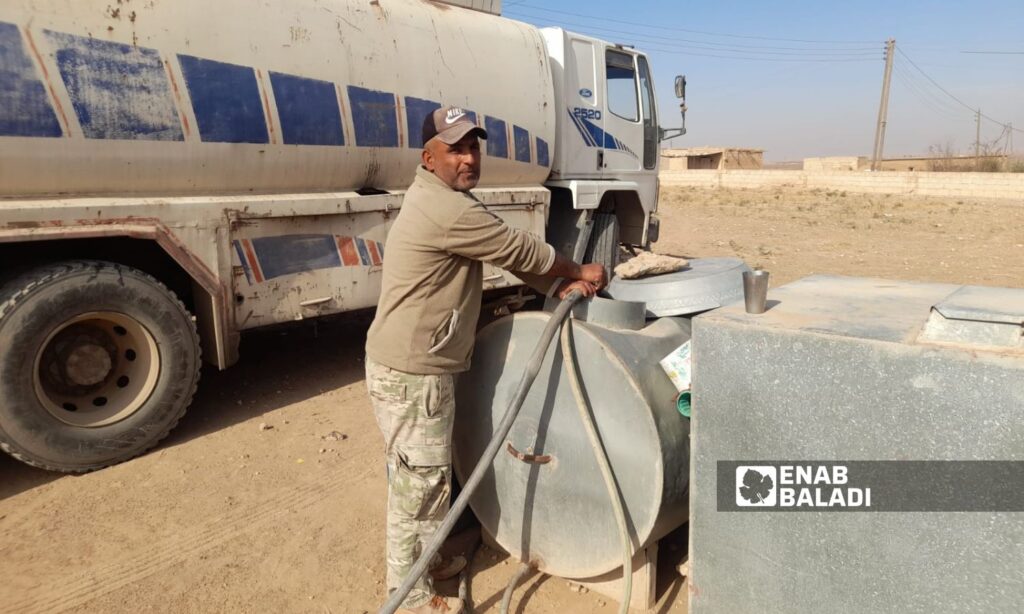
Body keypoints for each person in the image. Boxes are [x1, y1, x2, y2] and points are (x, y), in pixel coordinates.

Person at [364, 106, 606, 614]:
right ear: (428, 158)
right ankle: (406, 598)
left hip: (418, 366)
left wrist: (561, 283)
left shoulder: (448, 198)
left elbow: (505, 252)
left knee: (425, 476)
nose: (469, 157)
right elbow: (518, 249)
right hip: (413, 373)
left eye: (474, 146)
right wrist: (577, 268)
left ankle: (428, 562)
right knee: (419, 486)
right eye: (456, 148)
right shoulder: (445, 209)